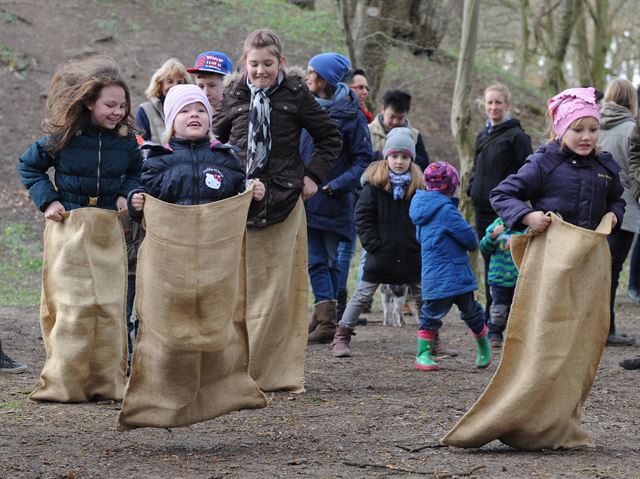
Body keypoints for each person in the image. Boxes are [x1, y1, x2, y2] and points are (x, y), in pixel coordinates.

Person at [212, 29, 341, 391]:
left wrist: (313, 176)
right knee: (239, 289)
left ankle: (272, 371)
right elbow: (215, 140)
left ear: (280, 63)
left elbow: (330, 137)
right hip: (238, 202)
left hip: (284, 201)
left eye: (268, 64)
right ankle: (235, 367)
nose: (260, 71)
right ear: (244, 64)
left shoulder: (297, 94)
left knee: (278, 292)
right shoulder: (234, 94)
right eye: (254, 64)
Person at [490, 86, 624, 273]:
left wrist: (615, 215)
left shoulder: (604, 165)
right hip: (550, 260)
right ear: (560, 129)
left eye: (593, 129)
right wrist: (527, 216)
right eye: (577, 130)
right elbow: (501, 194)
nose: (587, 137)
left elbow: (616, 200)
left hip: (590, 260)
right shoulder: (544, 163)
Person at [331, 128, 422, 357]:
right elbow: (362, 217)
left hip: (411, 253)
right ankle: (341, 336)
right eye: (394, 156)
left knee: (422, 296)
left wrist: (418, 244)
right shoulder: (374, 185)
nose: (399, 161)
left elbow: (425, 217)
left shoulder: (419, 187)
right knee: (362, 294)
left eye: (404, 157)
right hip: (380, 253)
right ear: (386, 157)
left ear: (411, 158)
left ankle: (433, 338)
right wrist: (373, 245)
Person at [301, 53, 372, 343]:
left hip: (333, 199)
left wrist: (334, 186)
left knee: (324, 260)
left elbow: (363, 160)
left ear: (325, 79)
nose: (306, 77)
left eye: (311, 72)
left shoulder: (352, 116)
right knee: (319, 260)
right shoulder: (305, 108)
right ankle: (325, 317)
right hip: (306, 196)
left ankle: (327, 321)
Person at [19, 53, 141, 220]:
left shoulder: (126, 141)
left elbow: (138, 171)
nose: (118, 112)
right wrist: (49, 202)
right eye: (110, 105)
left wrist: (125, 194)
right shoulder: (65, 136)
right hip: (69, 222)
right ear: (89, 103)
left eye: (122, 106)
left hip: (109, 223)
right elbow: (29, 165)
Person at [129, 84, 264, 214]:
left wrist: (254, 196)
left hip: (217, 236)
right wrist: (135, 202)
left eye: (201, 110)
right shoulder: (158, 160)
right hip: (173, 236)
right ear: (172, 122)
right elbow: (146, 201)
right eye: (184, 110)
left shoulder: (226, 158)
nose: (194, 114)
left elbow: (241, 206)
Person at [409, 162, 491, 371]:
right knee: (471, 312)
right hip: (454, 272)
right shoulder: (447, 210)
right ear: (451, 187)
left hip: (433, 274)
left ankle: (424, 354)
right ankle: (483, 347)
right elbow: (470, 240)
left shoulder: (420, 211)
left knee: (430, 315)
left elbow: (420, 238)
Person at [467, 84, 533, 324]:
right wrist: (471, 187)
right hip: (481, 207)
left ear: (507, 105)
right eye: (489, 103)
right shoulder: (482, 135)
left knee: (509, 261)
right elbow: (476, 166)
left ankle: (512, 317)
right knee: (488, 259)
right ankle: (491, 315)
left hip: (506, 210)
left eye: (498, 102)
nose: (493, 107)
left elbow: (529, 170)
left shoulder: (517, 136)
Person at [598, 79, 638, 347]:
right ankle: (606, 328)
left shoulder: (592, 126)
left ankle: (600, 326)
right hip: (624, 211)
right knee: (612, 271)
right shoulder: (632, 129)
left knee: (600, 270)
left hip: (596, 210)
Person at [479, 217, 522, 349]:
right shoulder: (495, 227)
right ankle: (494, 335)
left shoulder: (524, 229)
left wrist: (518, 245)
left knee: (517, 311)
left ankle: (515, 338)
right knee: (498, 310)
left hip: (518, 279)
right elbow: (484, 248)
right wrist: (492, 236)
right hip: (498, 279)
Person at [368, 89, 430, 170]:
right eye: (392, 116)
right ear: (383, 109)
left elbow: (424, 164)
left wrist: (407, 155)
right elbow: (360, 158)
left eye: (400, 118)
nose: (395, 122)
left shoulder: (415, 135)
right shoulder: (367, 131)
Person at [135, 58, 190, 143]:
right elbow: (140, 146)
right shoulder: (145, 111)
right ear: (160, 84)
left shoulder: (192, 112)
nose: (175, 86)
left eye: (180, 82)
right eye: (170, 81)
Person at [187, 50, 234, 115]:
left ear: (228, 84)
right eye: (201, 86)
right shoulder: (192, 116)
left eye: (212, 85)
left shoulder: (238, 115)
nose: (205, 93)